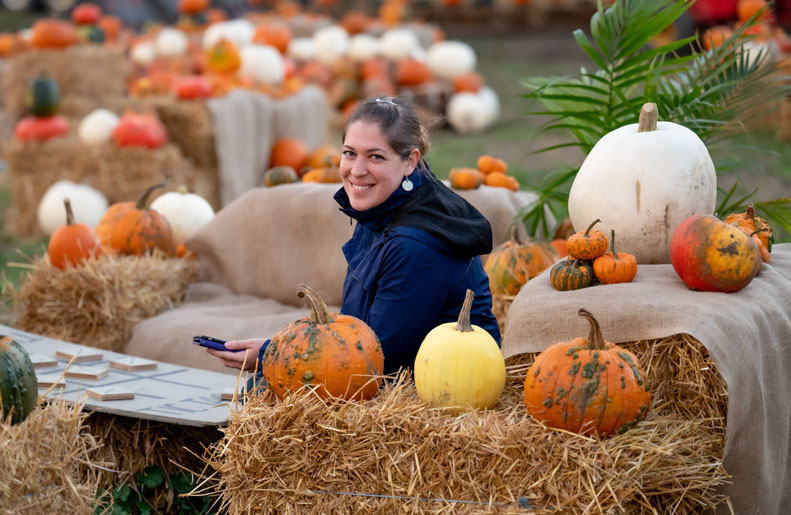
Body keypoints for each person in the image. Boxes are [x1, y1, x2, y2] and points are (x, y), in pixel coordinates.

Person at [207, 96, 500, 384]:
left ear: (410, 161)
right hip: (382, 369)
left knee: (265, 386)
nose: (357, 171)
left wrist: (275, 355)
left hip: (442, 388)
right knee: (262, 386)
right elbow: (357, 329)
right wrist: (276, 349)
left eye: (375, 157)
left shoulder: (414, 243)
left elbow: (375, 361)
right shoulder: (382, 208)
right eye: (349, 153)